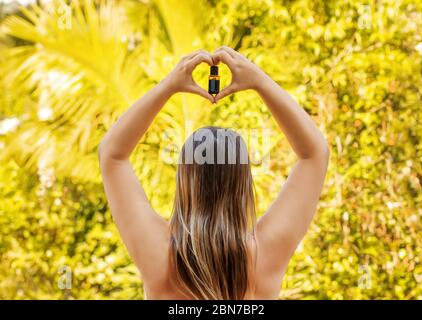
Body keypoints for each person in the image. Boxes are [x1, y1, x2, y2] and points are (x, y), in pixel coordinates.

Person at [98, 46, 330, 300]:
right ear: (242, 184)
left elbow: (112, 154)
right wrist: (258, 80)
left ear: (185, 181)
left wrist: (169, 85)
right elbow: (315, 154)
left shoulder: (160, 254)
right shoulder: (264, 255)